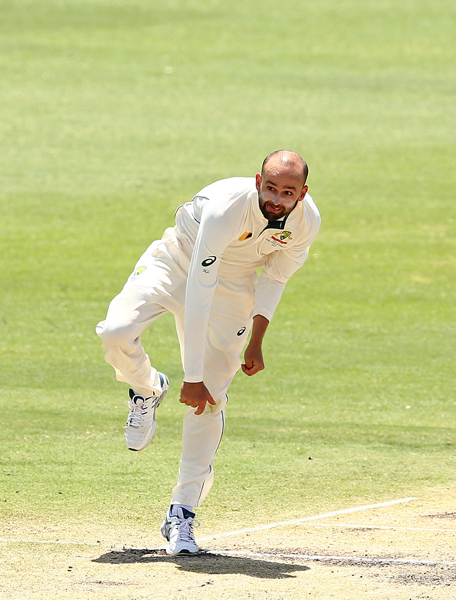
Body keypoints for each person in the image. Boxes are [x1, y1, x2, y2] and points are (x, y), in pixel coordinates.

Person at [96, 150, 320, 555]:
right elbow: (199, 291)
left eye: (287, 192)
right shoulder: (225, 209)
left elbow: (275, 279)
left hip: (234, 283)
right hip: (178, 258)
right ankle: (146, 388)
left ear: (301, 193)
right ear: (258, 182)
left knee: (210, 398)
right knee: (116, 332)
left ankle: (181, 511)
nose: (276, 198)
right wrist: (191, 377)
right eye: (270, 187)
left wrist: (256, 340)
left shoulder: (306, 222)